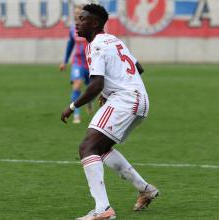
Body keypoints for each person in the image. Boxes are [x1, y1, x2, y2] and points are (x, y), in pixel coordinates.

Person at [61, 4, 159, 220]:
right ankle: (145, 189)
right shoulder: (114, 40)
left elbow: (96, 84)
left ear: (94, 23)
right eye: (77, 18)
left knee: (87, 147)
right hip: (140, 100)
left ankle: (102, 209)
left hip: (125, 100)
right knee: (100, 149)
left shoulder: (96, 45)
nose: (77, 22)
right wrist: (112, 88)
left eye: (82, 19)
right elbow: (138, 67)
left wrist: (72, 106)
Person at [60, 4, 92, 124]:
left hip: (91, 63)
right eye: (75, 13)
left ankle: (89, 101)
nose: (76, 15)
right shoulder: (73, 28)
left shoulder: (90, 28)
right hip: (78, 62)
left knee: (91, 88)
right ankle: (76, 114)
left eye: (79, 13)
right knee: (77, 85)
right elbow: (70, 45)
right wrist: (64, 61)